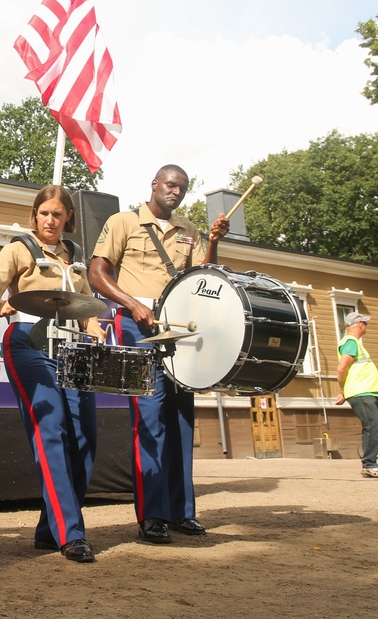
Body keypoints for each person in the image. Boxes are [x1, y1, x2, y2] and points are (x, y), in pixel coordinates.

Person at [88, 164, 229, 544]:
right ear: (154, 185)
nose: (175, 192)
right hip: (138, 326)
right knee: (149, 419)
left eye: (182, 188)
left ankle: (182, 511)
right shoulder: (123, 222)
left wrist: (214, 240)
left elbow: (204, 275)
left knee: (182, 419)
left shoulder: (189, 230)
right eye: (170, 185)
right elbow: (97, 273)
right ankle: (152, 515)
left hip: (179, 329)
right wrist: (131, 304)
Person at [0, 185, 106, 563]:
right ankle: (71, 533)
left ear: (68, 219)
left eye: (58, 214)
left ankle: (51, 529)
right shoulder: (19, 248)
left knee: (85, 437)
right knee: (52, 431)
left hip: (72, 348)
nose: (50, 220)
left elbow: (85, 306)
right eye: (44, 213)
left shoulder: (77, 256)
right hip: (29, 344)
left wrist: (94, 325)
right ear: (35, 215)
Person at [336, 312, 378, 478]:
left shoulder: (354, 343)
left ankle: (370, 464)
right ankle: (370, 464)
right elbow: (341, 369)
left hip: (365, 391)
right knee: (373, 426)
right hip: (360, 392)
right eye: (365, 323)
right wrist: (343, 390)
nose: (366, 326)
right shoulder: (351, 342)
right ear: (359, 324)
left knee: (372, 427)